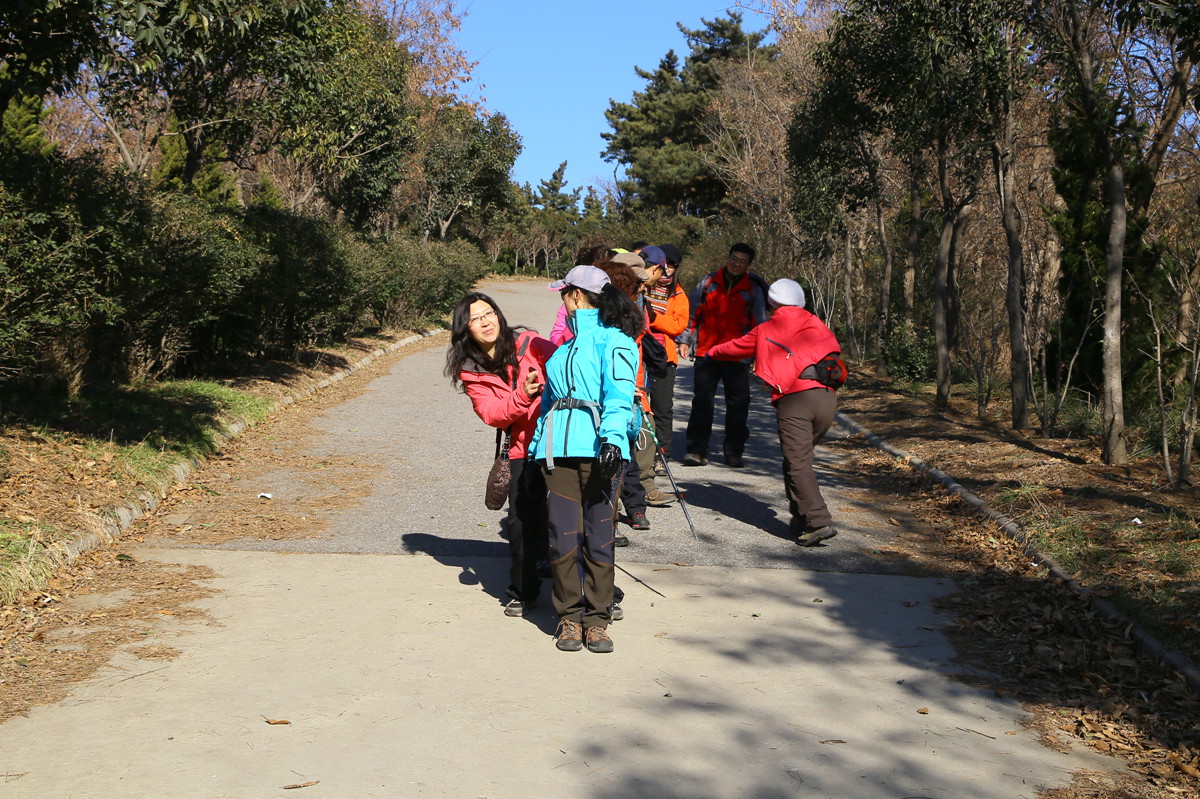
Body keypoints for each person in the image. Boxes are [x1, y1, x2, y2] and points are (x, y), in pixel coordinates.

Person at [529, 265, 643, 653]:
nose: (561, 299)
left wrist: (612, 440)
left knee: (599, 536)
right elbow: (547, 406)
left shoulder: (616, 342)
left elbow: (620, 394)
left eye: (564, 293)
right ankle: (568, 617)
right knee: (562, 539)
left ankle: (597, 620)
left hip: (602, 452)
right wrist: (534, 452)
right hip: (558, 454)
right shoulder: (561, 352)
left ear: (577, 296)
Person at [705, 279, 842, 546]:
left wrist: (712, 352)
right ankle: (801, 518)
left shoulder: (766, 329)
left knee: (798, 462)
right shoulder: (817, 324)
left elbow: (735, 348)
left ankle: (817, 521)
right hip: (826, 398)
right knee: (797, 459)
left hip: (795, 401)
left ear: (771, 303)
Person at [445, 293, 556, 616]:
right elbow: (493, 414)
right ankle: (523, 590)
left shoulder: (531, 344)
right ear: (465, 329)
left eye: (489, 313)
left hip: (560, 440)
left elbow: (568, 366)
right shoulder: (470, 369)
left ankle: (597, 593)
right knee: (520, 521)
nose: (485, 322)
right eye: (476, 318)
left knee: (571, 520)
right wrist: (523, 395)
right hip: (523, 447)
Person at [677, 243, 769, 468]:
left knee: (738, 405)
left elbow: (761, 324)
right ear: (727, 258)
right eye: (734, 258)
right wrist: (685, 340)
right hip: (706, 353)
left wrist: (760, 354)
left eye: (742, 261)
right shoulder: (707, 283)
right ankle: (696, 451)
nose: (736, 264)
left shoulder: (753, 289)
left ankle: (733, 451)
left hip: (738, 355)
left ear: (748, 265)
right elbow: (693, 314)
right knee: (702, 402)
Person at [642, 244, 689, 501]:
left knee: (662, 408)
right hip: (640, 353)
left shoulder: (678, 293)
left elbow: (679, 324)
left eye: (672, 264)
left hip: (664, 356)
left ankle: (662, 455)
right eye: (665, 263)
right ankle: (641, 456)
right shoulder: (645, 284)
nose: (667, 267)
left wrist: (654, 318)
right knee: (640, 406)